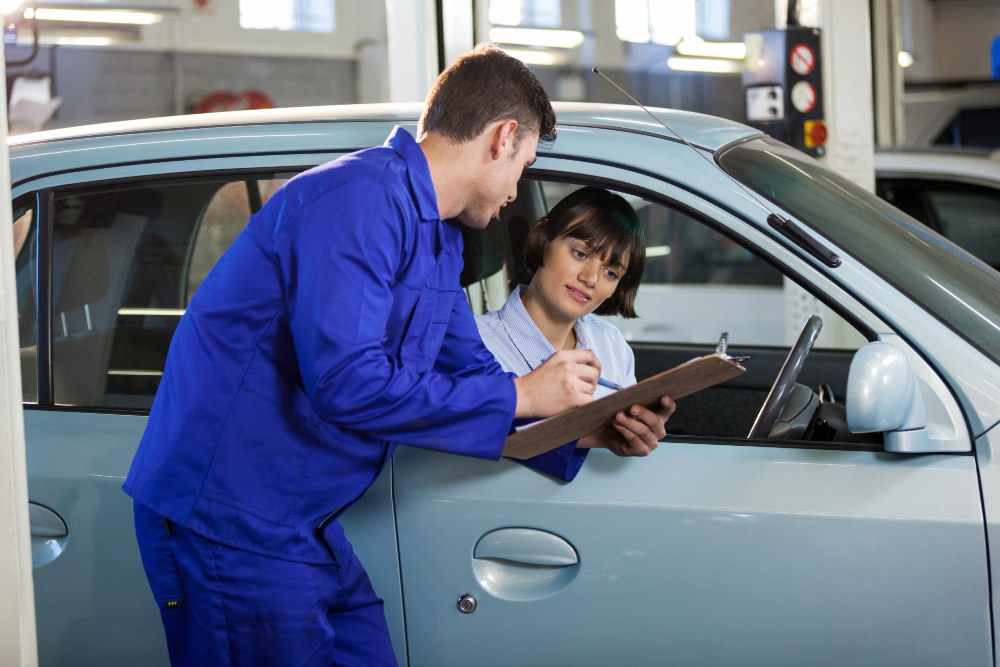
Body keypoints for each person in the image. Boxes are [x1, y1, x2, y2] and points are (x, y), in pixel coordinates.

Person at [122, 45, 605, 666]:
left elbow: (469, 371)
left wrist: (583, 430)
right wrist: (521, 395)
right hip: (231, 521)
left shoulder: (437, 240)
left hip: (302, 525)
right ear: (502, 137)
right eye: (525, 165)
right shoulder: (354, 201)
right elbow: (347, 383)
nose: (517, 191)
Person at [477, 187, 676, 481]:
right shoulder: (476, 342)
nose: (591, 279)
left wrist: (642, 432)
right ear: (544, 237)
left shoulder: (611, 344)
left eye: (611, 273)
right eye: (580, 253)